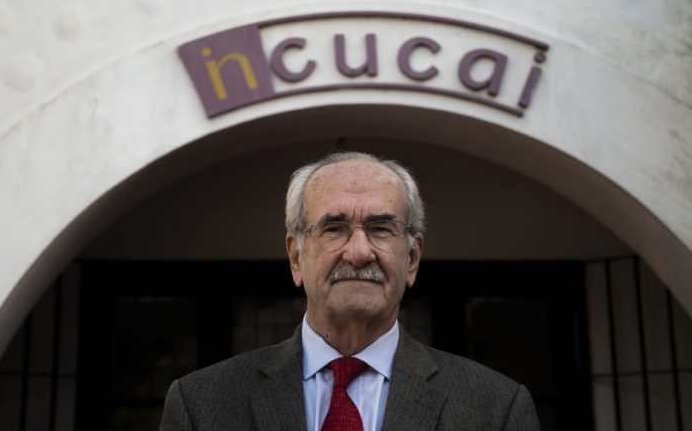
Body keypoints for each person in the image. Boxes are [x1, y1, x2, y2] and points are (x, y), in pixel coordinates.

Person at [159, 152, 540, 430]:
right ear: (296, 256)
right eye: (334, 229)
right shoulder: (201, 404)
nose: (358, 253)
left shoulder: (495, 408)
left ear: (412, 258)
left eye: (380, 229)